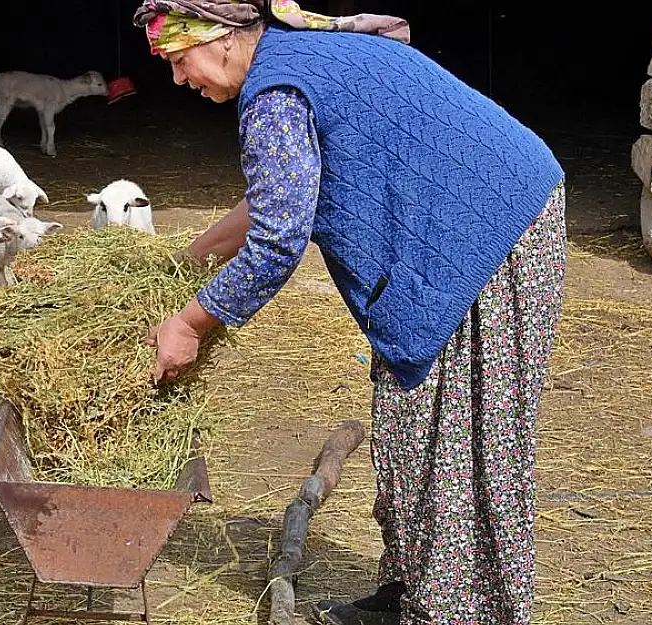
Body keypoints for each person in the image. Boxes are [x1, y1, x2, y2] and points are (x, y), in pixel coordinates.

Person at [135, 2, 567, 625]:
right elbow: (276, 197)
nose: (179, 79)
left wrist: (188, 323)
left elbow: (279, 238)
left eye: (180, 61)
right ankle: (412, 589)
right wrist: (193, 256)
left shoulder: (275, 91)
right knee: (406, 424)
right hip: (481, 215)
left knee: (456, 436)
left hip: (489, 232)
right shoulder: (289, 57)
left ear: (224, 40)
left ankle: (457, 610)